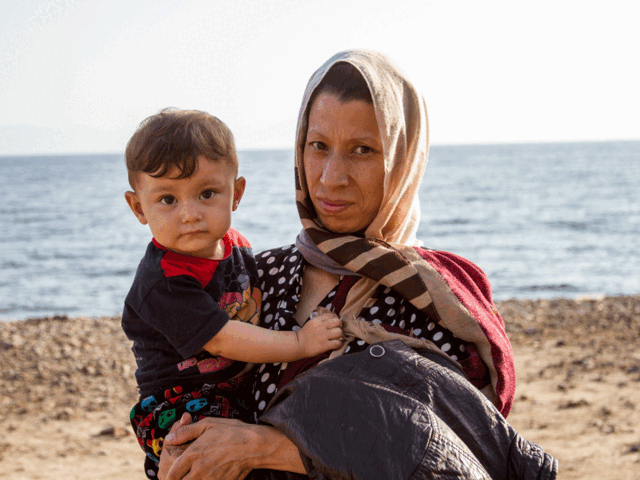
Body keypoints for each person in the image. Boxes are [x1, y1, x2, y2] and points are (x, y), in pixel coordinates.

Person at [158, 51, 558, 479]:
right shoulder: (257, 278)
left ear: (402, 159)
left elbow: (439, 457)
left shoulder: (438, 299)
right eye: (319, 146)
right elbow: (192, 400)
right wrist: (179, 458)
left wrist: (262, 448)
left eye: (362, 150)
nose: (331, 177)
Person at [121, 108, 344, 478]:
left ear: (236, 193)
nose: (189, 213)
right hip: (177, 404)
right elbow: (224, 340)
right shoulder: (162, 281)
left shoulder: (237, 247)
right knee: (203, 459)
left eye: (206, 193)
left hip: (231, 390)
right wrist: (301, 344)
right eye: (168, 200)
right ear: (137, 207)